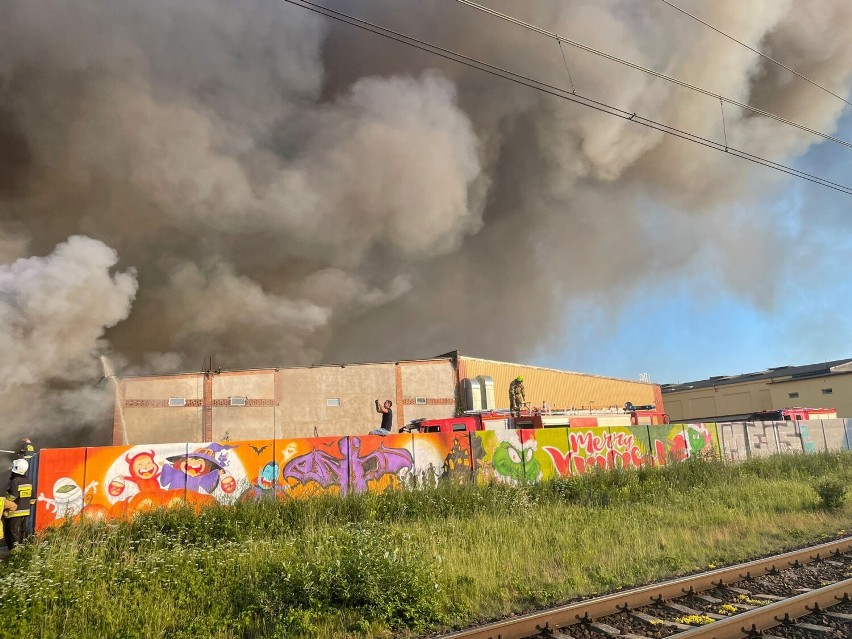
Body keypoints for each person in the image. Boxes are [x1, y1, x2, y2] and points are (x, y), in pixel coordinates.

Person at [3, 459, 33, 550]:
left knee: (12, 531)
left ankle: (14, 550)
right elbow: (33, 498)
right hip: (25, 512)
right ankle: (21, 548)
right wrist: (27, 506)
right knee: (21, 531)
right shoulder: (29, 480)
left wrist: (5, 499)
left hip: (15, 512)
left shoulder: (15, 481)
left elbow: (12, 497)